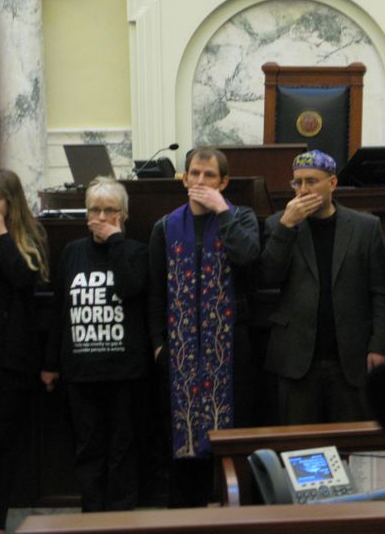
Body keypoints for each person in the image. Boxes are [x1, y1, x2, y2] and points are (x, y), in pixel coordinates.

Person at [148, 146, 259, 507]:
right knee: (180, 440)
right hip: (179, 352)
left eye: (210, 175)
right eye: (194, 173)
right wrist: (158, 343)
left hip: (228, 349)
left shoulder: (240, 218)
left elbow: (247, 255)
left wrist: (222, 211)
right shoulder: (164, 227)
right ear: (183, 178)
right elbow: (154, 292)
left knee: (231, 438)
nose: (200, 181)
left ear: (224, 182)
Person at [256, 150, 385, 424]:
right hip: (296, 358)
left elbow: (382, 293)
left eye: (311, 181)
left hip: (350, 358)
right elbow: (267, 278)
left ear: (332, 184)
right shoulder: (278, 224)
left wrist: (379, 345)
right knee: (299, 450)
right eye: (297, 183)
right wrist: (286, 226)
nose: (303, 190)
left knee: (350, 447)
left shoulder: (365, 228)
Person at [41, 177, 148, 512]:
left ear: (124, 214)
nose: (101, 218)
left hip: (124, 371)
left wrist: (115, 241)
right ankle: (92, 514)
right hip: (81, 371)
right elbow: (59, 311)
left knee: (122, 448)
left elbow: (130, 288)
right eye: (94, 210)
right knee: (88, 448)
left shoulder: (136, 251)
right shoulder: (73, 253)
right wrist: (50, 363)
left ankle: (120, 515)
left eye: (110, 211)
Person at [0, 169, 49, 534]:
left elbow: (22, 277)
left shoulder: (30, 236)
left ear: (10, 202)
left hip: (10, 361)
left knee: (1, 446)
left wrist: (0, 235)